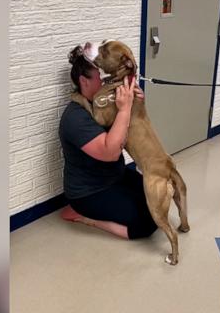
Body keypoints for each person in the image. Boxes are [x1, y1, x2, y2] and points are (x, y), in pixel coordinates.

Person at [58, 45, 158, 239]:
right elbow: (110, 153)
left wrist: (137, 105)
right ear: (83, 82)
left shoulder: (105, 102)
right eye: (102, 78)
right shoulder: (75, 118)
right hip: (89, 192)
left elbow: (133, 134)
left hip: (116, 176)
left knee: (158, 198)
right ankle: (85, 217)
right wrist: (124, 110)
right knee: (148, 223)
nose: (109, 81)